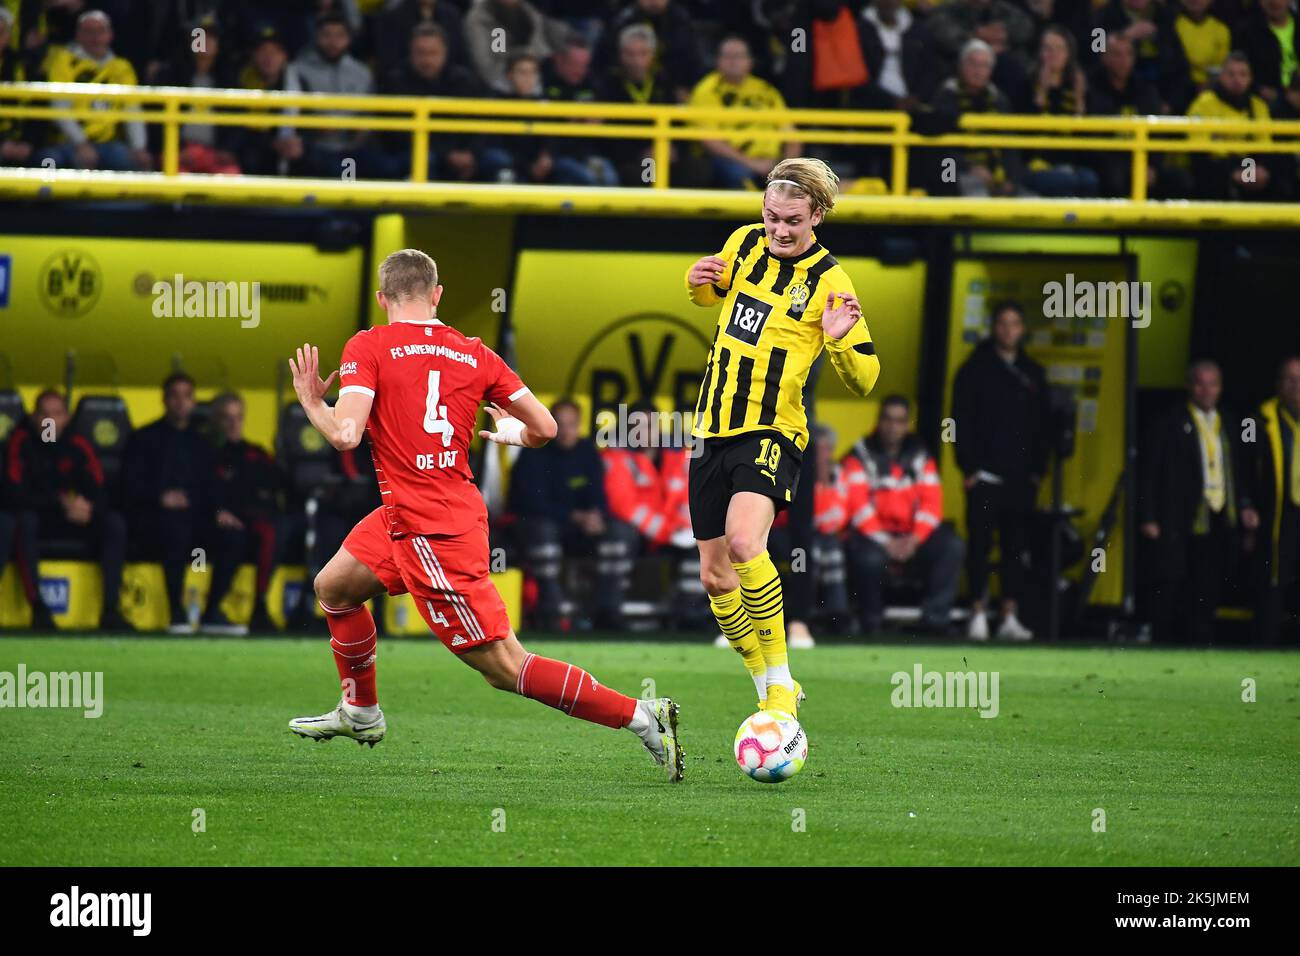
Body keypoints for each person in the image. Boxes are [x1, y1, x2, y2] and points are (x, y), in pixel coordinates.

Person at [286, 249, 683, 781]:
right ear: (437, 295)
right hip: (416, 514)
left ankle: (642, 716)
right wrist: (512, 433)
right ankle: (361, 712)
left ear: (383, 299)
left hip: (433, 533)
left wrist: (313, 402)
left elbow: (344, 433)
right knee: (334, 587)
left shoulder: (368, 344)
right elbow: (544, 428)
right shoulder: (475, 353)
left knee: (505, 668)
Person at [684, 157, 880, 716]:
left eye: (792, 220)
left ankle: (780, 686)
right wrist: (695, 285)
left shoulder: (832, 282)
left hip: (773, 430)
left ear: (817, 216)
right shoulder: (744, 244)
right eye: (771, 216)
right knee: (716, 578)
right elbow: (715, 298)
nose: (779, 230)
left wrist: (839, 340)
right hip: (709, 429)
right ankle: (766, 687)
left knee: (747, 544)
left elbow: (866, 379)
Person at [951, 300, 1048, 641]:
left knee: (1015, 548)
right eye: (1003, 323)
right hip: (985, 476)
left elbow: (1042, 427)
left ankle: (1009, 615)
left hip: (1021, 478)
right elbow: (958, 420)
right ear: (994, 327)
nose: (1009, 330)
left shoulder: (1034, 373)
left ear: (1022, 330)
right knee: (980, 545)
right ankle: (977, 612)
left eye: (1015, 324)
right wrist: (969, 467)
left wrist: (1038, 471)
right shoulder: (974, 370)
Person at [1140, 361, 1247, 643]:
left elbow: (1237, 469)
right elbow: (1151, 470)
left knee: (1207, 583)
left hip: (1217, 512)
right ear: (1189, 386)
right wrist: (1149, 515)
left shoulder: (1230, 422)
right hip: (1179, 514)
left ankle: (1200, 642)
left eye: (1213, 384)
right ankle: (1160, 641)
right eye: (1200, 383)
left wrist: (1244, 505)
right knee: (1171, 580)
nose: (1206, 390)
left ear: (1221, 388)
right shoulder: (1170, 421)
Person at [5, 389, 129, 632]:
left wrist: (89, 509)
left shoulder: (77, 444)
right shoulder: (19, 442)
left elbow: (100, 488)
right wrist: (59, 502)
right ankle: (38, 609)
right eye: (44, 414)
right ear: (33, 417)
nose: (50, 421)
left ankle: (111, 610)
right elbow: (13, 494)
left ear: (67, 418)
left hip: (73, 518)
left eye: (57, 414)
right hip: (38, 516)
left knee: (114, 522)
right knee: (23, 521)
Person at [843, 395, 964, 635]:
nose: (892, 426)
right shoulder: (859, 455)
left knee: (952, 545)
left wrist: (915, 539)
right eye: (887, 419)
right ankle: (871, 623)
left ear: (907, 424)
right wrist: (887, 542)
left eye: (899, 421)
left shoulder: (920, 455)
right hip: (874, 538)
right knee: (868, 558)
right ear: (878, 421)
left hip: (911, 537)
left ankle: (935, 621)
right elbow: (857, 507)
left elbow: (932, 504)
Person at [508, 398, 629, 629]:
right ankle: (551, 611)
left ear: (579, 425)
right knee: (543, 532)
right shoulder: (534, 449)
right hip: (537, 527)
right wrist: (575, 517)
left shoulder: (586, 450)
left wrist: (596, 516)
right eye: (560, 424)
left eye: (572, 424)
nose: (566, 431)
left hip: (578, 528)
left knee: (619, 533)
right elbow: (531, 503)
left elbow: (598, 492)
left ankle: (607, 611)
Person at [121, 372, 216, 633]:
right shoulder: (144, 438)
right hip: (152, 519)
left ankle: (213, 612)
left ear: (194, 401)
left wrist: (219, 512)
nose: (180, 402)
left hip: (195, 519)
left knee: (234, 534)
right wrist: (160, 498)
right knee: (175, 529)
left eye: (187, 396)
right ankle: (176, 610)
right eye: (174, 396)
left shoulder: (202, 444)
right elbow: (128, 487)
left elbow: (211, 489)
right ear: (164, 400)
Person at [38, 10, 153, 172]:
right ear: (78, 35)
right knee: (49, 160)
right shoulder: (63, 60)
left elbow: (132, 110)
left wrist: (139, 147)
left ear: (110, 35)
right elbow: (59, 108)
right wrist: (81, 143)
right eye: (89, 31)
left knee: (132, 161)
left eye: (100, 31)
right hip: (66, 142)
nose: (95, 37)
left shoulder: (121, 67)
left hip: (108, 144)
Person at [208, 393, 284, 634]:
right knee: (233, 538)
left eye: (238, 417)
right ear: (216, 421)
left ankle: (260, 606)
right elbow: (202, 492)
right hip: (215, 523)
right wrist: (218, 512)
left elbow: (280, 486)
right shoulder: (208, 454)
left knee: (274, 531)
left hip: (255, 522)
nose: (233, 423)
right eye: (226, 418)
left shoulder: (256, 454)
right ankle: (212, 608)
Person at [685, 36, 802, 189]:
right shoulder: (707, 90)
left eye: (739, 56)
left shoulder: (765, 90)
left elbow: (792, 136)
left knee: (806, 177)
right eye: (728, 56)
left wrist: (786, 169)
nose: (733, 61)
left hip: (772, 161)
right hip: (730, 160)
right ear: (717, 61)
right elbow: (709, 140)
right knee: (737, 175)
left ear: (750, 61)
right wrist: (752, 163)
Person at [1242, 356, 1300, 643]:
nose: (1296, 385)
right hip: (1277, 514)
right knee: (1271, 583)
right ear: (1278, 385)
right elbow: (1243, 466)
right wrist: (1246, 504)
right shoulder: (1257, 420)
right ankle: (1264, 648)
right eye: (1289, 379)